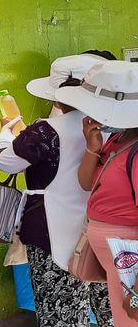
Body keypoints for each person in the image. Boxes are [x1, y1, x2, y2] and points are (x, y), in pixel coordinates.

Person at [0, 54, 113, 326]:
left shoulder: (44, 132)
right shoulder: (111, 127)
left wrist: (6, 134)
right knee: (107, 310)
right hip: (102, 234)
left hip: (51, 235)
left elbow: (6, 163)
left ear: (58, 98)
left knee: (60, 312)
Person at [57, 61, 138, 326]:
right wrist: (93, 148)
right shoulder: (118, 139)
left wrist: (137, 291)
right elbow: (86, 184)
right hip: (119, 263)